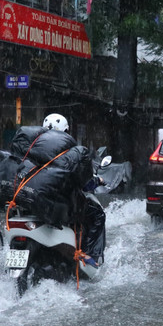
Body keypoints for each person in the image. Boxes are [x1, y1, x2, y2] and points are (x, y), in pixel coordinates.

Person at [42, 112, 106, 267]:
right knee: (98, 215)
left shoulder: (33, 149)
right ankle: (91, 256)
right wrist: (98, 180)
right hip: (61, 202)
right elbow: (84, 184)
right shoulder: (70, 153)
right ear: (66, 132)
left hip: (38, 200)